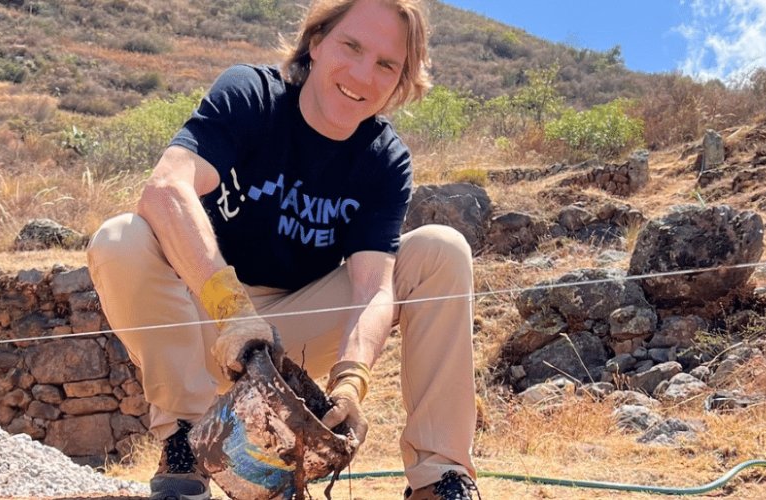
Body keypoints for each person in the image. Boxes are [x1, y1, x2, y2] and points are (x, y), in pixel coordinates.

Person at [86, 0, 478, 498]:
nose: (363, 74)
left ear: (401, 80)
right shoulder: (252, 95)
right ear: (316, 43)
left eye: (386, 64)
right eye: (351, 46)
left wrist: (351, 382)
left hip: (291, 336)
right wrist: (232, 310)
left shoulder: (384, 160)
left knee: (440, 249)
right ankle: (186, 442)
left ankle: (440, 477)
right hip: (199, 318)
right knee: (123, 237)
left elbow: (373, 287)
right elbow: (166, 189)